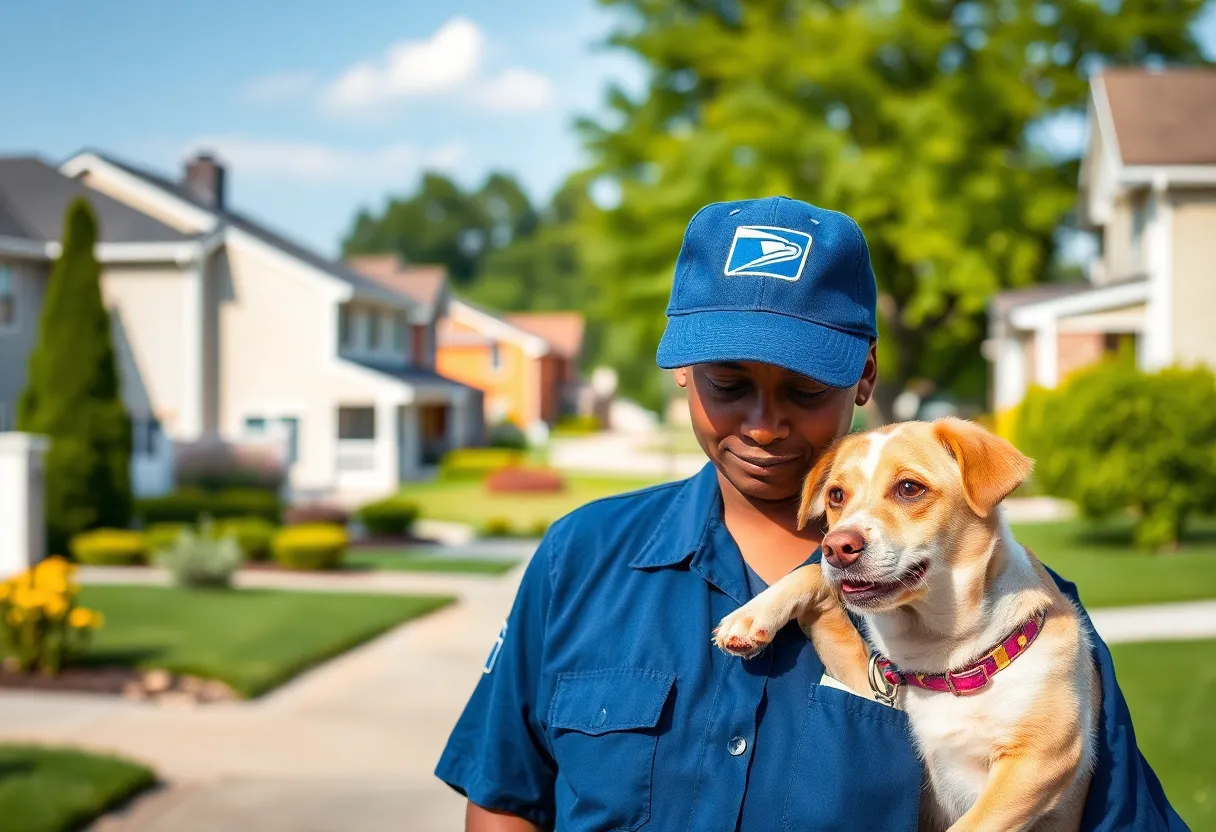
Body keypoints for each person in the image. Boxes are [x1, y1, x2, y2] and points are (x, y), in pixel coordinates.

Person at [435, 197, 1185, 831]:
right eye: (728, 385)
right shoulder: (583, 555)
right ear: (684, 375)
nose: (763, 425)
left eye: (802, 392)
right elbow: (505, 798)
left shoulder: (1010, 628)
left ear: (863, 376)